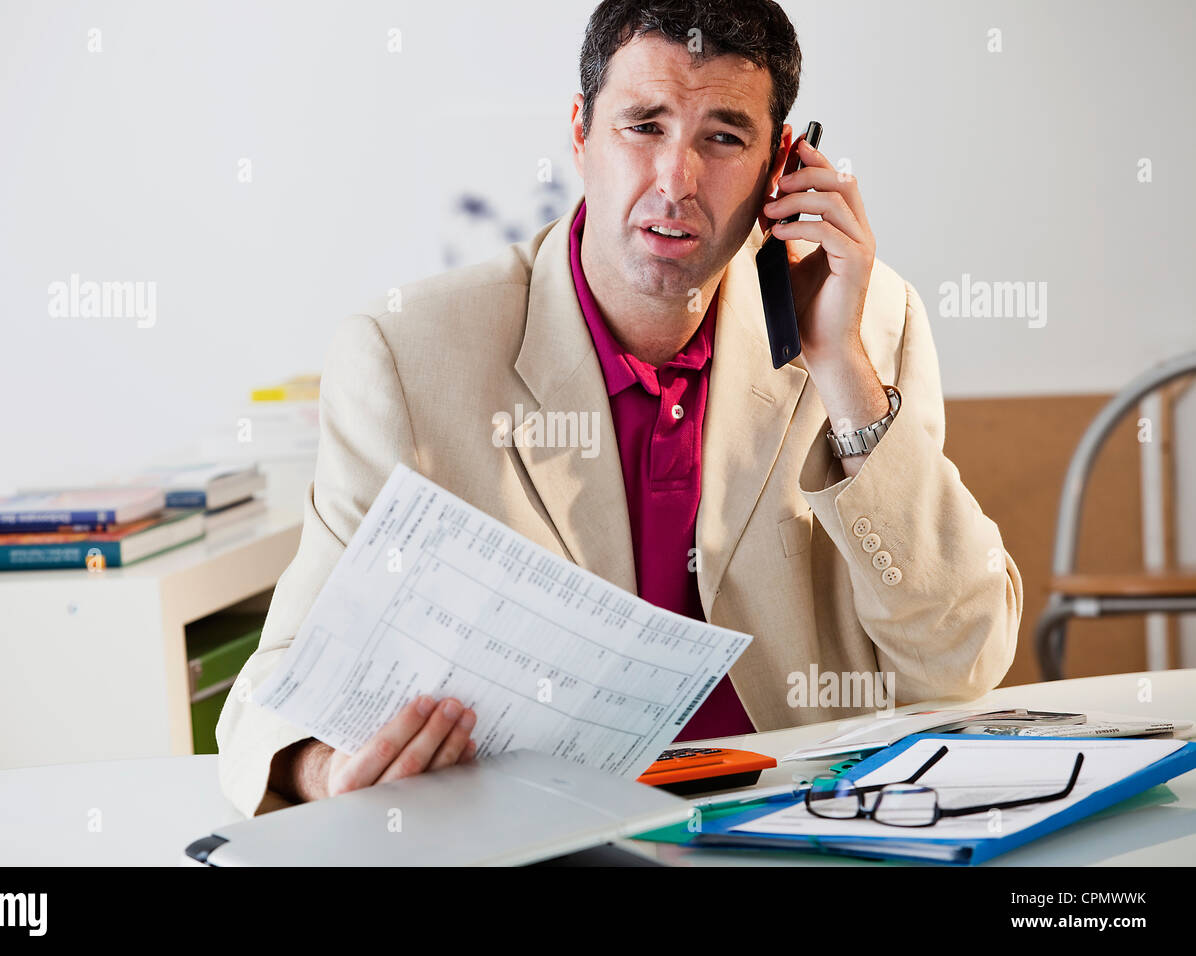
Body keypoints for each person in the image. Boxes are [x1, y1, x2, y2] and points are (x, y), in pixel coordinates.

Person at [216, 0, 1022, 817]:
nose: (676, 181)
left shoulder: (868, 323)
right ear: (580, 133)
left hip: (802, 827)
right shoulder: (406, 358)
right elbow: (273, 689)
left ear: (783, 165)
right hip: (545, 836)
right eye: (644, 125)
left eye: (724, 136)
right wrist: (329, 772)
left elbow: (958, 659)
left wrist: (841, 366)